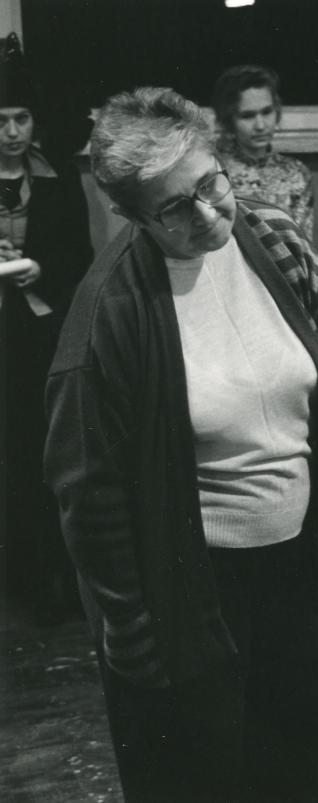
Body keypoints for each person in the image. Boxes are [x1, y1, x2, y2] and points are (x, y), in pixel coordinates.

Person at [43, 87, 318, 803]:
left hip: (290, 559)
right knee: (198, 770)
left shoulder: (275, 238)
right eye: (174, 208)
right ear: (132, 215)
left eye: (209, 184)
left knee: (293, 751)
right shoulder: (111, 312)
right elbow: (87, 490)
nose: (208, 213)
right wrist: (129, 625)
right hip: (189, 581)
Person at [0, 31, 92, 622]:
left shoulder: (57, 180)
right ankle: (19, 576)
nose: (12, 132)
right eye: (0, 121)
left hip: (40, 331)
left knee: (45, 450)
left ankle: (57, 576)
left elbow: (81, 258)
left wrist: (41, 271)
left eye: (22, 119)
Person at [211, 64, 314, 239]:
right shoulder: (213, 171)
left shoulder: (296, 173)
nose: (260, 125)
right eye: (247, 116)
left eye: (267, 112)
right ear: (229, 120)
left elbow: (303, 242)